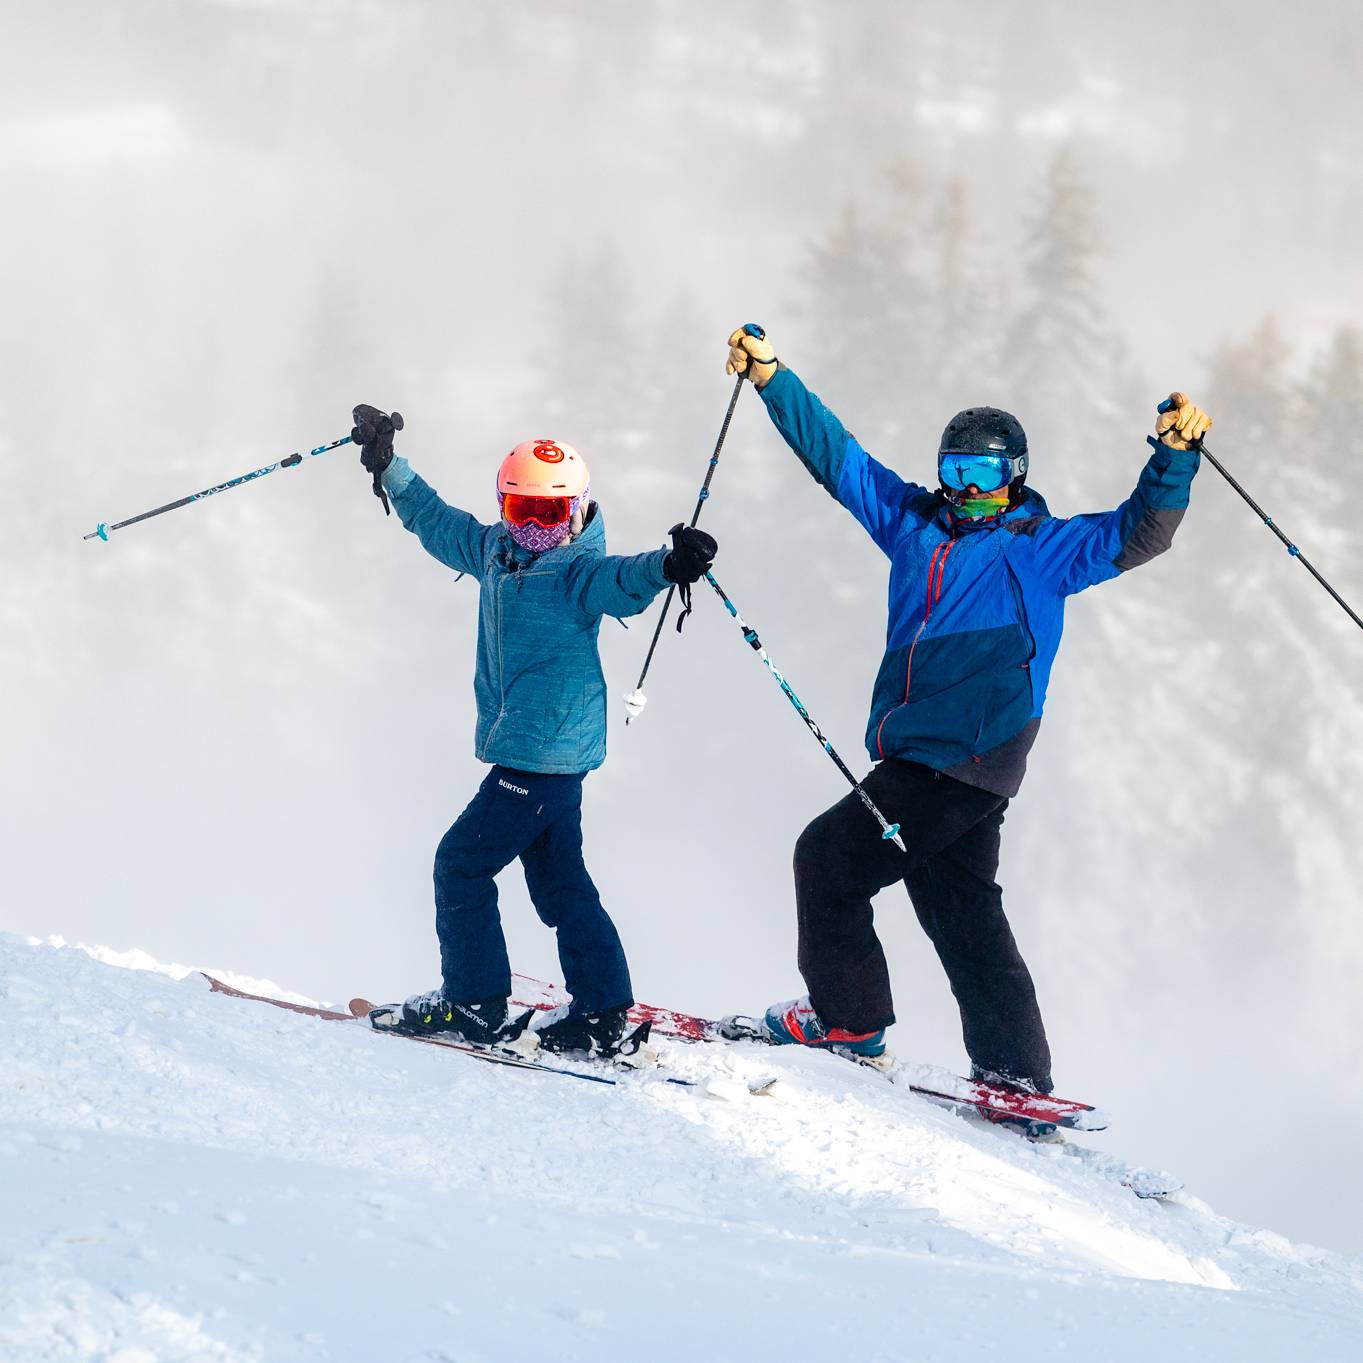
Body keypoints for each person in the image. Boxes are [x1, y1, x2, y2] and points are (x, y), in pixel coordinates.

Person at [723, 328, 1211, 1090]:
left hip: (959, 756)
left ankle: (848, 1022)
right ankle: (1015, 1074)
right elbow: (837, 458)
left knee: (827, 858)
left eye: (982, 472)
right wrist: (772, 380)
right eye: (954, 470)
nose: (965, 487)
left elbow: (1138, 531)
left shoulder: (1041, 549)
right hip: (943, 760)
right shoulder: (912, 524)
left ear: (1013, 476)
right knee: (963, 915)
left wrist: (1173, 457)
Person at [349, 406, 717, 1056]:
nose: (536, 529)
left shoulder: (576, 571)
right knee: (560, 881)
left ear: (576, 510)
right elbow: (439, 524)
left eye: (550, 515)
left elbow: (625, 580)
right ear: (504, 506)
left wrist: (669, 565)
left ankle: (474, 1005)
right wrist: (390, 468)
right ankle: (603, 1011)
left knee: (459, 864)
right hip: (549, 754)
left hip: (541, 755)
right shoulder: (496, 551)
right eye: (523, 512)